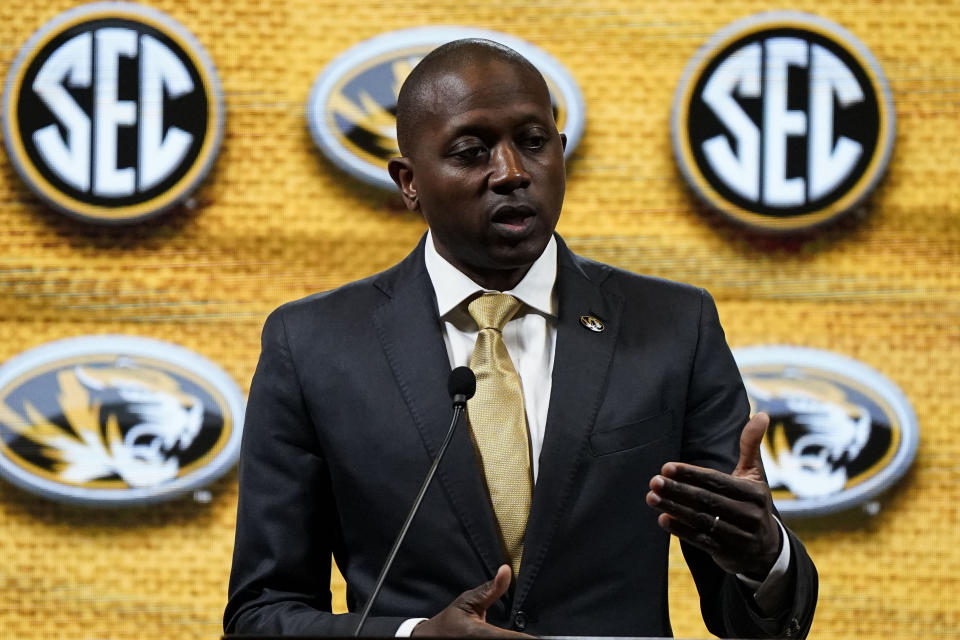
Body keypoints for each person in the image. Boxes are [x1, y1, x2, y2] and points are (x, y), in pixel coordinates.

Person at [224, 39, 817, 638]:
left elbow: (755, 620)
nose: (511, 172)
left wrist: (764, 558)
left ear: (560, 153)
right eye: (470, 151)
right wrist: (413, 637)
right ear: (409, 182)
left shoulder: (673, 325)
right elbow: (260, 614)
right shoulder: (312, 346)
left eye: (533, 143)